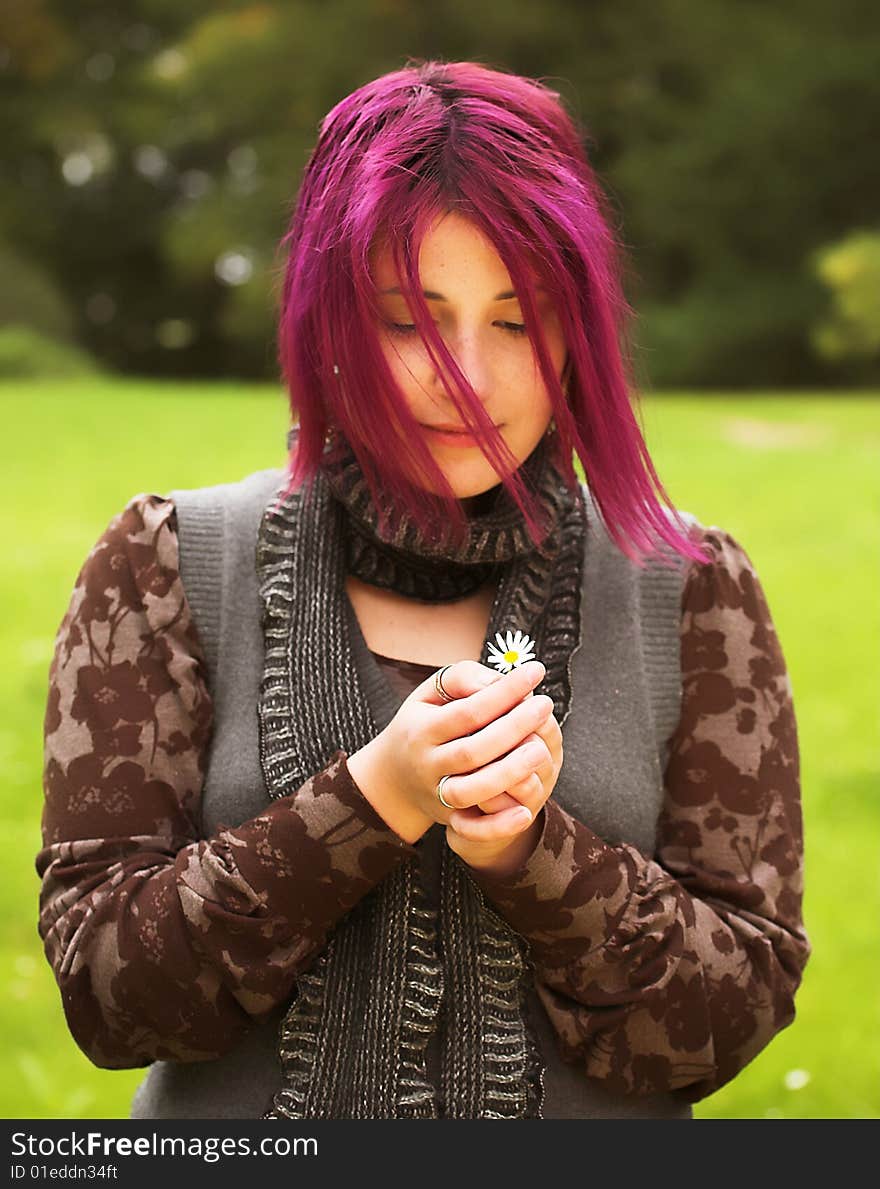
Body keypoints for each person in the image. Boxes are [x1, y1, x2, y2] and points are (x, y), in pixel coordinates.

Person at [36, 59, 810, 1120]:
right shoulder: (166, 563)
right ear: (327, 321)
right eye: (408, 319)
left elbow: (733, 1016)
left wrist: (533, 856)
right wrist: (372, 801)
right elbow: (108, 1000)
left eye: (516, 317)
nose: (469, 378)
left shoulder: (693, 593)